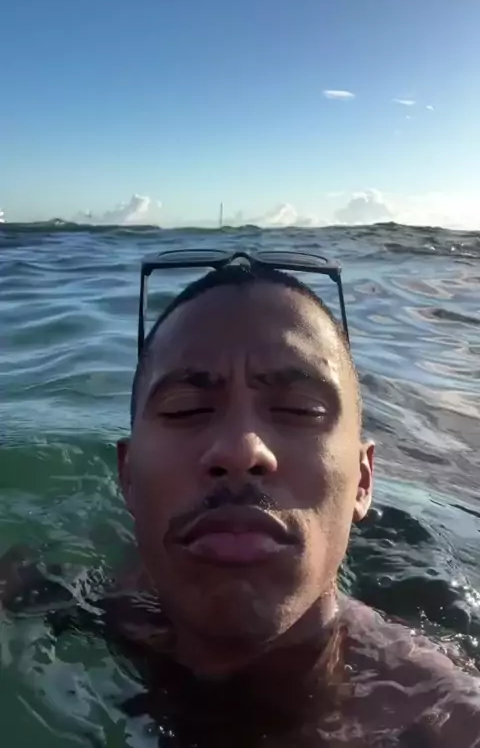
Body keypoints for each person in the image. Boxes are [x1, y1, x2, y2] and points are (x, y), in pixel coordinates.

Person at [1, 261, 480, 746]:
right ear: (128, 477)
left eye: (300, 409)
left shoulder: (440, 717)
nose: (240, 449)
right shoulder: (90, 603)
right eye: (186, 409)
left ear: (362, 480)